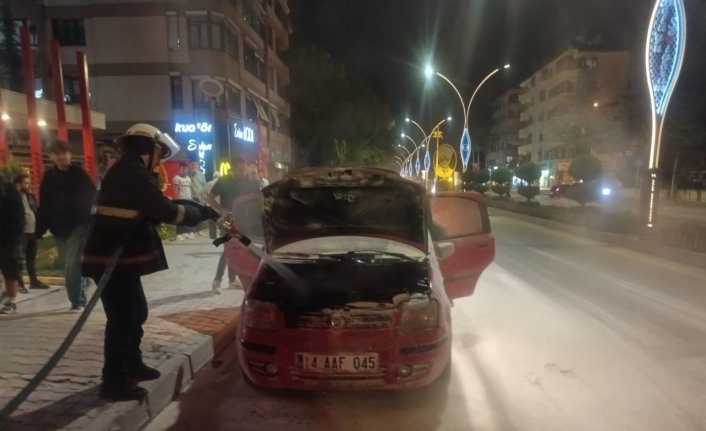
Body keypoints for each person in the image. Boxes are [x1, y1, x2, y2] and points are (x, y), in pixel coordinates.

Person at [82, 123, 217, 401]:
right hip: (111, 260)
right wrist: (200, 214)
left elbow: (150, 208)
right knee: (122, 319)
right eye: (160, 151)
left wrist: (195, 209)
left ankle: (132, 364)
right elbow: (163, 210)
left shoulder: (132, 171)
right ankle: (114, 381)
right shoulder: (130, 172)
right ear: (148, 148)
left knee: (136, 312)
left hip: (118, 259)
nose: (161, 158)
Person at [37, 140, 96, 311]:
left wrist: (83, 213)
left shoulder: (79, 174)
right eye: (58, 153)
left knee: (71, 264)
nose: (62, 156)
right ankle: (83, 282)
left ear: (70, 154)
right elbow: (44, 202)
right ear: (52, 157)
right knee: (67, 263)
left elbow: (90, 196)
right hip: (58, 227)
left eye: (65, 152)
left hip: (78, 225)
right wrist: (41, 228)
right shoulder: (48, 177)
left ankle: (76, 300)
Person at [204, 156, 259, 292]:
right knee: (228, 250)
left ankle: (233, 280)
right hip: (229, 220)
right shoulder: (224, 181)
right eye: (239, 170)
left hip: (247, 221)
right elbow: (209, 198)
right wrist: (221, 209)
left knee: (245, 249)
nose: (242, 173)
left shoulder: (249, 181)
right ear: (233, 168)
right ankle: (218, 279)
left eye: (244, 169)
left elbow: (259, 197)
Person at [15, 174, 50, 293]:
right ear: (18, 184)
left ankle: (33, 281)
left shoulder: (30, 196)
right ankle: (20, 284)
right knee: (19, 260)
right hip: (21, 233)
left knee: (31, 259)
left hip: (32, 232)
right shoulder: (13, 197)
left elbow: (35, 211)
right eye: (25, 183)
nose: (28, 185)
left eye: (29, 183)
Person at [0, 175, 24, 314]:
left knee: (11, 270)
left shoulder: (9, 192)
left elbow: (17, 219)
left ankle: (11, 301)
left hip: (9, 239)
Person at [173, 162, 193, 240]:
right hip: (180, 200)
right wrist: (177, 201)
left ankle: (185, 233)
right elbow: (175, 191)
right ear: (180, 169)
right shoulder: (176, 178)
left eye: (186, 169)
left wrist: (191, 198)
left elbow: (190, 189)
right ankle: (178, 234)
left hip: (188, 200)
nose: (185, 170)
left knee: (186, 217)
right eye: (183, 168)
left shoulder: (188, 178)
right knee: (180, 217)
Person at [188, 160, 207, 236]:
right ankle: (192, 231)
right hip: (191, 196)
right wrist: (193, 174)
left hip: (200, 197)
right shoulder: (189, 174)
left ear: (198, 166)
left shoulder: (201, 175)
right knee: (192, 214)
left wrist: (204, 197)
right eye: (192, 164)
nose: (194, 166)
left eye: (195, 164)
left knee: (200, 214)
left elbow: (204, 186)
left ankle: (199, 230)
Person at [202, 171, 222, 240]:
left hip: (210, 205)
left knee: (211, 222)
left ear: (213, 177)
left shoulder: (208, 184)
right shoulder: (221, 184)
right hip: (220, 205)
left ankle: (213, 236)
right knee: (222, 220)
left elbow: (203, 194)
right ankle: (222, 234)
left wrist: (205, 201)